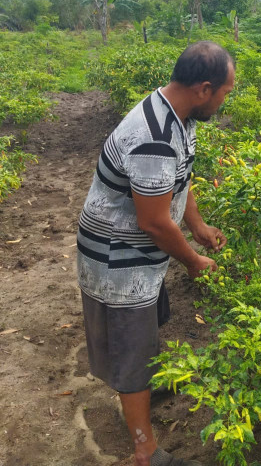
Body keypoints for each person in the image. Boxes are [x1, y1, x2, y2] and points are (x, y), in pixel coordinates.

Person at [76, 41, 235, 466]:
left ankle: (148, 386)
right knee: (130, 349)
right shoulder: (154, 138)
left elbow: (179, 180)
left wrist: (197, 224)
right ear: (205, 88)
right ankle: (145, 451)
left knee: (146, 331)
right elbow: (154, 222)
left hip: (140, 252)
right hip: (118, 257)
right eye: (225, 92)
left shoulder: (178, 114)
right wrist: (192, 259)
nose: (225, 100)